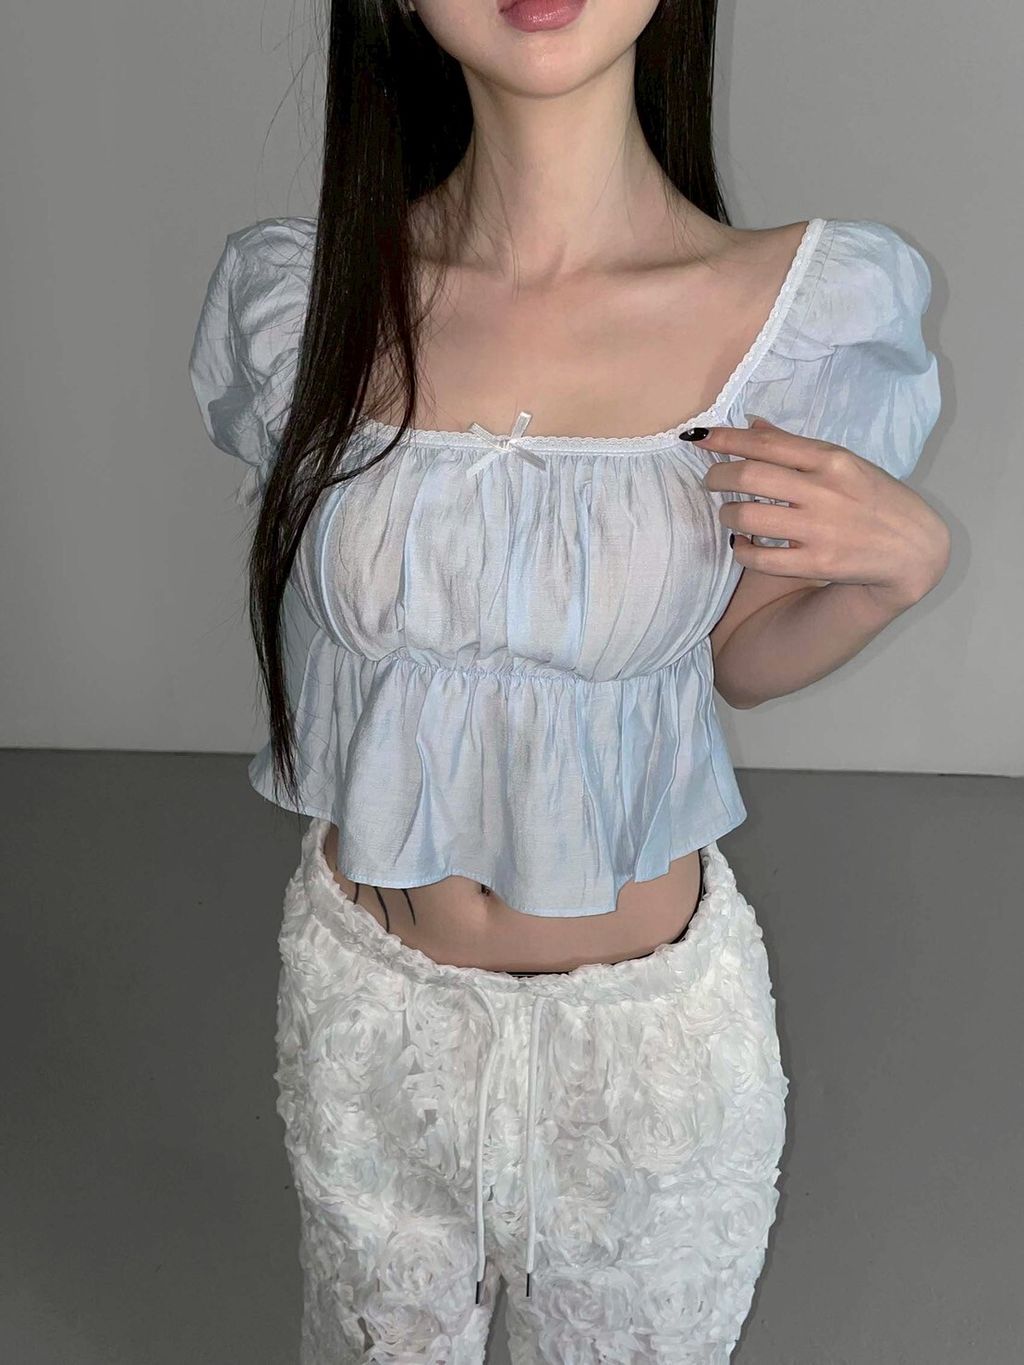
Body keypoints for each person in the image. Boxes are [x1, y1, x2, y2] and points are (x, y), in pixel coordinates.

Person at [188, 1, 949, 1359]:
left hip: (644, 1062)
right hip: (371, 1023)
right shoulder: (304, 300)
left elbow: (734, 660)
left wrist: (893, 573)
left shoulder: (792, 316)